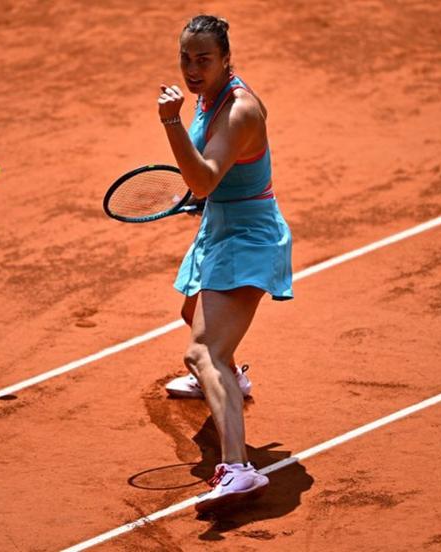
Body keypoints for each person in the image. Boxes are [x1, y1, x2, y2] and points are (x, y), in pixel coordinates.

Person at [157, 14, 293, 513]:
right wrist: (204, 198)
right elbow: (213, 179)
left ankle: (239, 470)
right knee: (192, 317)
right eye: (186, 59)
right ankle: (225, 380)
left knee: (203, 351)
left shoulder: (239, 110)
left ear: (226, 59)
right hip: (220, 224)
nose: (193, 69)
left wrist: (170, 123)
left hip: (249, 236)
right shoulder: (208, 95)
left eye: (203, 60)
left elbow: (203, 178)